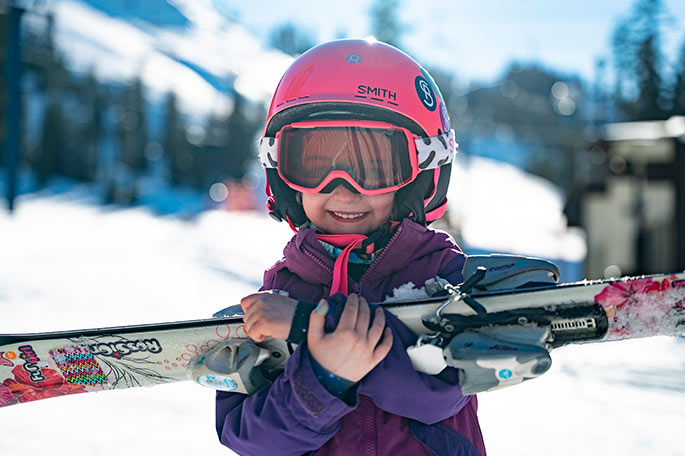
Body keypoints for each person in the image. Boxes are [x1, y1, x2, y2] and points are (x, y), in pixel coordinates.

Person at [215, 38, 486, 456]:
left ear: (420, 175)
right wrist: (320, 381)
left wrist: (306, 325)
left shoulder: (445, 277)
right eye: (314, 165)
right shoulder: (281, 289)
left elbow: (442, 391)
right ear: (282, 175)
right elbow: (250, 437)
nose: (343, 191)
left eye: (374, 168)